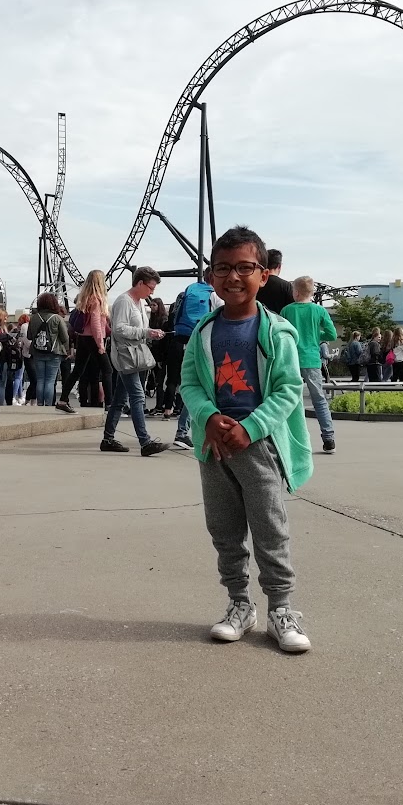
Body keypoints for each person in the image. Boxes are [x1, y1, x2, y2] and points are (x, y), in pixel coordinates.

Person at [179, 226, 313, 653]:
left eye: (244, 268)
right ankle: (240, 603)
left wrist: (251, 427)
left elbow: (288, 389)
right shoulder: (202, 332)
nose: (233, 277)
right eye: (222, 268)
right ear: (211, 276)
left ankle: (281, 608)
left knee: (270, 528)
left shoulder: (277, 331)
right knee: (224, 528)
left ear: (263, 275)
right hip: (214, 445)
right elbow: (189, 383)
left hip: (260, 445)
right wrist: (207, 416)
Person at [100, 267, 170, 456]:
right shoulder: (125, 301)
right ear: (140, 283)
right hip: (127, 356)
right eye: (150, 287)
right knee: (138, 396)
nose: (152, 292)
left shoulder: (136, 302)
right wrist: (146, 332)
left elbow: (125, 329)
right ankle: (145, 442)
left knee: (120, 399)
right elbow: (118, 329)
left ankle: (108, 439)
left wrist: (148, 333)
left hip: (131, 355)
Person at [162, 271, 221, 448]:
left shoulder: (189, 291)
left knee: (193, 386)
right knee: (204, 388)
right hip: (205, 345)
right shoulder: (214, 296)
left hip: (184, 341)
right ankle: (183, 432)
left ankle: (185, 431)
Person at [281, 276, 338, 453]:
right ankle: (328, 439)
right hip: (312, 360)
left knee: (290, 399)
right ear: (311, 292)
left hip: (291, 359)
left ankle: (291, 440)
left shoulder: (287, 310)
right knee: (319, 400)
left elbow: (281, 333)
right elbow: (332, 334)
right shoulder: (319, 311)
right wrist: (316, 335)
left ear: (296, 292)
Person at [57, 270, 111, 414]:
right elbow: (95, 324)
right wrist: (100, 344)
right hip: (93, 338)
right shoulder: (97, 300)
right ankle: (110, 404)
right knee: (107, 370)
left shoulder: (84, 299)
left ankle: (63, 400)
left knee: (78, 370)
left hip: (82, 338)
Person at [27, 293, 69, 407]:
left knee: (40, 379)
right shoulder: (57, 318)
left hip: (37, 352)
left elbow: (29, 336)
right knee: (50, 380)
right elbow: (65, 338)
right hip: (54, 352)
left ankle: (40, 404)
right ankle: (48, 405)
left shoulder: (34, 318)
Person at [255, 248, 295, 314]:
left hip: (260, 319)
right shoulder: (286, 286)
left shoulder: (257, 284)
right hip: (280, 319)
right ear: (279, 266)